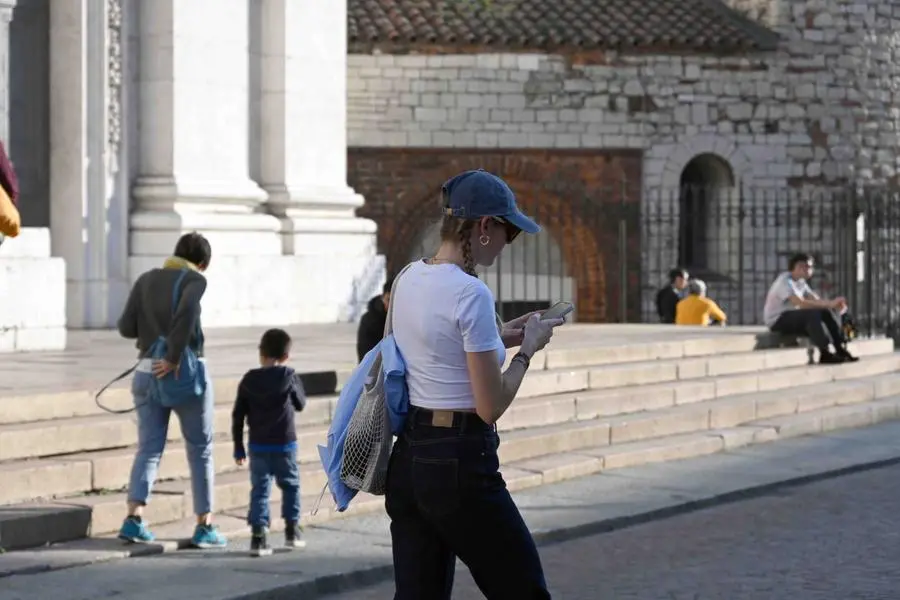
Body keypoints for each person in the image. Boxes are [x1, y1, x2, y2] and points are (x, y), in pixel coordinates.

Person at [386, 169, 565, 599]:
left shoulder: (408, 277)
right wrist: (527, 351)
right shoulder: (471, 294)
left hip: (409, 458)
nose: (508, 244)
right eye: (509, 232)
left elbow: (426, 347)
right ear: (484, 227)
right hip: (460, 462)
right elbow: (491, 405)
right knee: (523, 590)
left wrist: (500, 335)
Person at [116, 232, 227, 548]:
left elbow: (126, 327)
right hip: (184, 376)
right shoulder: (195, 280)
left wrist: (154, 336)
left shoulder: (146, 279)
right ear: (202, 263)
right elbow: (187, 312)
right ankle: (205, 526)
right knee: (200, 448)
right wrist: (174, 354)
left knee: (149, 447)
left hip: (145, 372)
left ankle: (134, 518)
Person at [232, 328, 307, 556]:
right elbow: (300, 404)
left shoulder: (248, 380)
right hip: (285, 444)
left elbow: (238, 415)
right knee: (291, 486)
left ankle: (258, 537)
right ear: (286, 356)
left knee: (260, 491)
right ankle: (292, 532)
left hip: (258, 446)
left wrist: (238, 447)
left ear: (261, 353)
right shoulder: (289, 376)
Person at [763, 252, 858, 364]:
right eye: (808, 267)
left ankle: (839, 349)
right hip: (777, 320)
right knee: (812, 314)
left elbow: (816, 300)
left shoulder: (801, 282)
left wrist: (834, 306)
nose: (810, 270)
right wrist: (830, 303)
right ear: (799, 267)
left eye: (811, 267)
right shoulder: (784, 281)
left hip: (793, 318)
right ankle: (825, 353)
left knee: (824, 311)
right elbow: (800, 303)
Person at [356, 277, 394, 362]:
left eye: (395, 300)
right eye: (388, 300)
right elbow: (365, 354)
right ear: (383, 298)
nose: (392, 304)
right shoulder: (370, 321)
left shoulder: (403, 317)